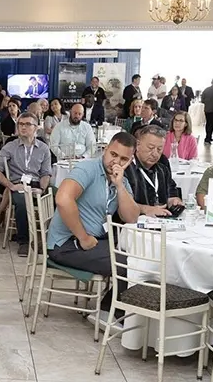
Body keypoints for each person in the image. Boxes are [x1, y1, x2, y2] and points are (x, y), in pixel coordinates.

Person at [47, 132, 140, 319]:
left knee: (138, 255)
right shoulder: (88, 169)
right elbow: (63, 199)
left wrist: (120, 186)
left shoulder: (121, 180)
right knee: (127, 264)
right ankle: (112, 314)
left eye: (123, 159)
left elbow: (131, 217)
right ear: (105, 150)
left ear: (130, 161)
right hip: (67, 243)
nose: (116, 162)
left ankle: (111, 306)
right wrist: (83, 237)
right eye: (113, 154)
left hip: (96, 240)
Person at [0, 112, 52, 257]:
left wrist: (42, 189)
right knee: (23, 202)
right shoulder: (10, 147)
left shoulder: (43, 148)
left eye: (27, 124)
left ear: (36, 127)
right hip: (18, 184)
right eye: (20, 124)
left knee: (59, 199)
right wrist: (10, 185)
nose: (23, 127)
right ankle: (24, 241)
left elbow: (45, 173)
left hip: (37, 184)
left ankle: (51, 240)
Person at [124, 125, 182, 216]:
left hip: (162, 222)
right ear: (138, 145)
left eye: (159, 149)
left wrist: (174, 201)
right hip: (134, 224)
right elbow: (121, 205)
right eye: (150, 148)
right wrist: (146, 209)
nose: (155, 154)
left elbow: (172, 194)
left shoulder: (163, 170)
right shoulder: (126, 169)